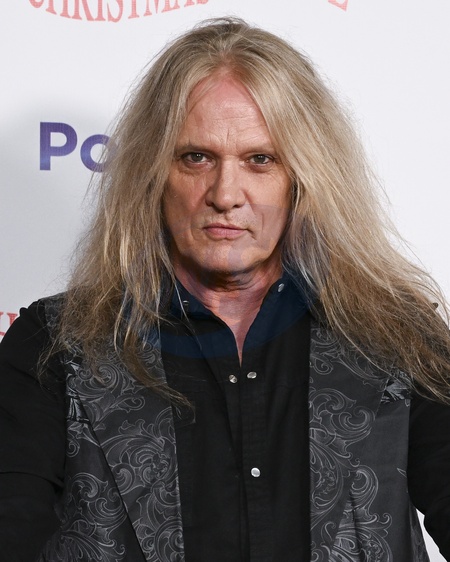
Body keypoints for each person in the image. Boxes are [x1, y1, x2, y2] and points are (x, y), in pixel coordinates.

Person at [1, 17, 450, 562]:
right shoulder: (55, 345)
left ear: (303, 177)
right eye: (197, 157)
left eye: (260, 160)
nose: (225, 193)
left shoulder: (397, 337)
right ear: (153, 172)